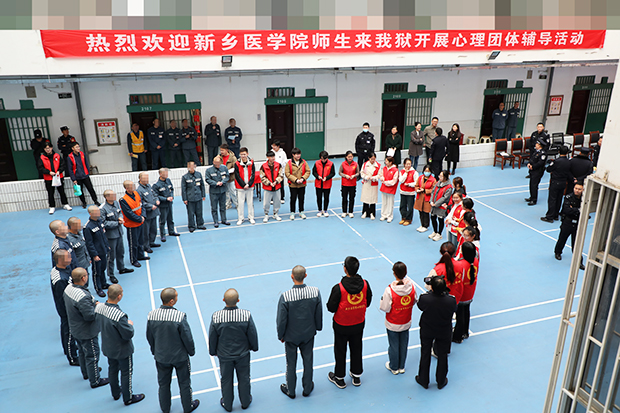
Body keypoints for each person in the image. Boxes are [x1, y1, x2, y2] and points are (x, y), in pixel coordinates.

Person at [147, 288, 200, 413]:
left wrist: (155, 351)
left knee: (163, 384)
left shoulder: (151, 315)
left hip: (161, 357)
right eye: (176, 296)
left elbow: (150, 336)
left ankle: (165, 408)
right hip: (180, 357)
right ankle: (188, 407)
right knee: (184, 383)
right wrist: (191, 351)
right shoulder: (179, 316)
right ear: (171, 301)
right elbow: (187, 337)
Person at [209, 288, 259, 412]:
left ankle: (227, 404)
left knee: (226, 380)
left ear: (223, 300)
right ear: (238, 300)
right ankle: (245, 402)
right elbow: (252, 333)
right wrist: (254, 347)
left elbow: (212, 336)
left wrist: (213, 351)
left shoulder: (216, 316)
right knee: (244, 378)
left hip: (224, 355)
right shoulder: (246, 315)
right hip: (242, 354)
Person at [277, 265, 323, 398]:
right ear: (305, 276)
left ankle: (291, 390)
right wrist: (318, 327)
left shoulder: (285, 296)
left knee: (291, 364)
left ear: (292, 277)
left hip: (291, 336)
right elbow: (318, 312)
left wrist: (281, 335)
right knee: (308, 361)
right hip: (308, 334)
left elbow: (281, 319)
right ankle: (307, 388)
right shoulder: (315, 292)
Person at [327, 256, 372, 389]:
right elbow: (368, 302)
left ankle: (339, 378)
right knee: (357, 348)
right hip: (358, 323)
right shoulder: (365, 284)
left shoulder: (338, 288)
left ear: (345, 269)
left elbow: (331, 307)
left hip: (341, 325)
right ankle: (356, 375)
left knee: (340, 350)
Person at [95, 284, 145, 405]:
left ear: (108, 293)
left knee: (112, 369)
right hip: (122, 350)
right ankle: (128, 397)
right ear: (119, 296)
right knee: (126, 372)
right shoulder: (119, 316)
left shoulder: (99, 308)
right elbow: (128, 334)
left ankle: (115, 393)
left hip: (108, 346)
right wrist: (129, 325)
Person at [64, 268, 109, 388]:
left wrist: (93, 303)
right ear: (83, 278)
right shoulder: (82, 296)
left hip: (75, 328)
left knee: (82, 352)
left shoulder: (68, 289)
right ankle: (95, 380)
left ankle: (87, 373)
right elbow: (89, 316)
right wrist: (99, 309)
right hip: (86, 331)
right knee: (92, 355)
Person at [415, 276, 457, 390]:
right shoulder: (451, 300)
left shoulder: (425, 298)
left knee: (425, 353)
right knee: (442, 355)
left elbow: (420, 306)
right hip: (444, 330)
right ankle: (441, 381)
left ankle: (423, 379)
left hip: (427, 329)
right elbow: (454, 309)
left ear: (432, 288)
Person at [380, 261, 416, 375]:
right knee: (403, 344)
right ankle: (401, 366)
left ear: (394, 273)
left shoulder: (389, 290)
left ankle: (394, 367)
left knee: (394, 345)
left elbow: (385, 307)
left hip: (393, 323)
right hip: (406, 321)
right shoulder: (412, 287)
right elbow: (414, 300)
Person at [50, 249, 79, 366]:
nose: (71, 258)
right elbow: (62, 298)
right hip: (66, 309)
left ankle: (68, 349)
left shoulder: (61, 270)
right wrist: (70, 310)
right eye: (68, 257)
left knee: (66, 329)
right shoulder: (60, 280)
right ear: (61, 260)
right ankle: (72, 357)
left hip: (66, 307)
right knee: (69, 332)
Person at [100, 190, 134, 277]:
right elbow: (103, 223)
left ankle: (121, 268)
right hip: (111, 236)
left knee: (120, 252)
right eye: (112, 195)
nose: (115, 196)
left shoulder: (116, 203)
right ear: (107, 197)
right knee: (111, 256)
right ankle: (111, 274)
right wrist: (117, 223)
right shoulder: (102, 209)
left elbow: (120, 213)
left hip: (119, 233)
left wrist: (120, 218)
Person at [84, 206, 115, 297]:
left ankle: (103, 283)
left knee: (103, 268)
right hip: (97, 253)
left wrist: (107, 246)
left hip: (103, 250)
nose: (99, 213)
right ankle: (98, 288)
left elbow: (103, 236)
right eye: (96, 212)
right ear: (90, 213)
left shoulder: (99, 221)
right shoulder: (88, 227)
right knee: (96, 271)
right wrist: (94, 255)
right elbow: (89, 243)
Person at [554, 181, 585, 270]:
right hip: (567, 222)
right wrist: (578, 210)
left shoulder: (585, 199)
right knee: (562, 239)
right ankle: (558, 252)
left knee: (576, 243)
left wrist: (574, 209)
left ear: (583, 190)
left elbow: (586, 210)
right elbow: (566, 210)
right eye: (576, 188)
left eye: (579, 189)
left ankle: (579, 262)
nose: (577, 190)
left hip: (578, 223)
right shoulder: (568, 197)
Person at [452, 242, 479, 343]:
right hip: (470, 291)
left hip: (462, 294)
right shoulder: (475, 261)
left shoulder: (461, 264)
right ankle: (465, 332)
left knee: (460, 315)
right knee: (466, 312)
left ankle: (457, 336)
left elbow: (459, 281)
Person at [119, 180, 148, 267]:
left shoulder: (136, 193)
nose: (134, 187)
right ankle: (133, 260)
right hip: (132, 225)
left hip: (140, 222)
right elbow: (129, 214)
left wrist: (143, 216)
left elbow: (141, 205)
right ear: (127, 188)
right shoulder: (123, 200)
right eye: (132, 186)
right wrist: (140, 219)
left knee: (140, 241)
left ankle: (140, 255)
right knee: (133, 243)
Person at [37, 142, 72, 214]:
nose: (48, 150)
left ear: (52, 148)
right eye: (46, 148)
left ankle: (65, 204)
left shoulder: (57, 155)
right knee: (50, 193)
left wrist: (59, 171)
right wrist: (48, 172)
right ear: (44, 149)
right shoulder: (42, 157)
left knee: (62, 191)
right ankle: (52, 206)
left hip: (58, 176)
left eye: (49, 148)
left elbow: (63, 165)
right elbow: (40, 168)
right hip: (48, 178)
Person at [541, 146, 572, 223]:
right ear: (567, 153)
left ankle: (550, 216)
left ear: (559, 152)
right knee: (559, 198)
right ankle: (556, 215)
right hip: (563, 182)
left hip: (555, 181)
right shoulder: (569, 162)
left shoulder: (556, 161)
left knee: (552, 199)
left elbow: (549, 169)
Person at [67, 143, 99, 208]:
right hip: (77, 177)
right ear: (72, 148)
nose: (78, 148)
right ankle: (84, 203)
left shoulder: (82, 154)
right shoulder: (70, 157)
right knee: (80, 191)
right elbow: (70, 169)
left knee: (91, 189)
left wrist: (87, 172)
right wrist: (73, 179)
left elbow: (86, 163)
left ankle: (95, 201)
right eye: (76, 147)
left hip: (85, 175)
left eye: (78, 147)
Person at [152, 168, 180, 242]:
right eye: (165, 173)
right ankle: (163, 235)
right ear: (160, 174)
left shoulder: (168, 181)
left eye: (167, 173)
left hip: (169, 203)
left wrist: (171, 196)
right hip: (163, 205)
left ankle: (171, 231)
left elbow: (171, 189)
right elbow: (155, 196)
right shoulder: (156, 185)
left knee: (170, 218)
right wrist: (166, 199)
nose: (166, 175)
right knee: (162, 220)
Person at [137, 172, 161, 252]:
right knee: (146, 231)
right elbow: (141, 202)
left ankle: (151, 242)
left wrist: (157, 200)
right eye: (145, 178)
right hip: (147, 213)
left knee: (153, 229)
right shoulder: (139, 190)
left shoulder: (149, 186)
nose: (147, 180)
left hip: (153, 212)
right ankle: (146, 246)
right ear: (140, 179)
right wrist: (150, 206)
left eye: (147, 178)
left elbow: (154, 194)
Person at [285, 147, 311, 220]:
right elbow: (287, 173)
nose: (298, 155)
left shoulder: (304, 162)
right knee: (293, 199)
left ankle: (301, 212)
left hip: (302, 184)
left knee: (301, 198)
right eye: (296, 154)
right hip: (293, 185)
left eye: (299, 154)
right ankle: (292, 212)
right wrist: (295, 180)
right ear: (293, 155)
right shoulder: (289, 163)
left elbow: (308, 171)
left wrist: (302, 178)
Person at [181, 161, 207, 233]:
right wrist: (184, 199)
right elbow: (183, 189)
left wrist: (203, 195)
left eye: (193, 166)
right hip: (190, 198)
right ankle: (191, 226)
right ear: (188, 167)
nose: (192, 168)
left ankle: (200, 224)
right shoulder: (185, 177)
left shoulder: (199, 174)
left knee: (199, 212)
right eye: (190, 166)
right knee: (191, 213)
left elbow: (202, 185)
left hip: (198, 196)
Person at [205, 155, 230, 228]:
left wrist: (223, 182)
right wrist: (215, 183)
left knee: (223, 206)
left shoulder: (224, 168)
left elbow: (227, 176)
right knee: (214, 207)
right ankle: (215, 221)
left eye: (219, 163)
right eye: (216, 163)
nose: (218, 165)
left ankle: (224, 220)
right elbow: (207, 179)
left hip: (222, 190)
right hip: (214, 192)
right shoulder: (209, 170)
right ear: (213, 162)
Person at [234, 147, 256, 225]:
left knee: (250, 203)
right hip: (240, 187)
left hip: (250, 187)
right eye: (241, 154)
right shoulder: (237, 163)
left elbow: (253, 174)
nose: (243, 156)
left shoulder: (252, 162)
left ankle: (251, 217)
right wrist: (243, 185)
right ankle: (241, 218)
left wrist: (249, 184)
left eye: (244, 154)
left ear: (247, 154)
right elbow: (237, 176)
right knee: (240, 203)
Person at [429, 170, 453, 241]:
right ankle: (435, 231)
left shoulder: (449, 187)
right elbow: (433, 192)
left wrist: (436, 203)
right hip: (433, 204)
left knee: (440, 219)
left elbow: (445, 197)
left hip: (441, 206)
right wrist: (431, 201)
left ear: (445, 177)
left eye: (441, 176)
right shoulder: (437, 183)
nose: (439, 177)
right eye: (439, 175)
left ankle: (439, 234)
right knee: (433, 217)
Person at [260, 150, 284, 223]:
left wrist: (276, 181)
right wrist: (269, 183)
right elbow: (262, 177)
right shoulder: (263, 166)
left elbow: (281, 175)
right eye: (271, 157)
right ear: (267, 157)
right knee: (266, 203)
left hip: (277, 186)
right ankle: (266, 214)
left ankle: (275, 214)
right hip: (268, 187)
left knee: (277, 202)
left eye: (273, 156)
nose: (273, 158)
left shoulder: (278, 165)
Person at [312, 151, 335, 217]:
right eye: (322, 159)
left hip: (327, 184)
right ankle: (319, 210)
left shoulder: (331, 164)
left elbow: (333, 173)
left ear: (327, 158)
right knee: (319, 197)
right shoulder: (317, 163)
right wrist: (318, 176)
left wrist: (326, 178)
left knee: (326, 197)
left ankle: (325, 210)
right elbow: (314, 172)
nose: (323, 160)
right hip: (318, 184)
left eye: (325, 159)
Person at [414, 165, 436, 233]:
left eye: (428, 171)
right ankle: (422, 224)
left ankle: (426, 226)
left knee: (426, 212)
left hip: (427, 198)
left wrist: (425, 190)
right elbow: (416, 185)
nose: (427, 172)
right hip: (420, 197)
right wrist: (417, 189)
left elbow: (433, 189)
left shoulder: (433, 180)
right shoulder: (420, 177)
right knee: (420, 211)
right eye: (425, 171)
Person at [525, 141, 547, 206]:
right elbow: (532, 159)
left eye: (537, 144)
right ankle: (531, 196)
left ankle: (534, 200)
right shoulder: (536, 152)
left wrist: (533, 167)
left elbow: (540, 163)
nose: (535, 145)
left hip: (538, 171)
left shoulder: (543, 154)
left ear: (540, 145)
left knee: (534, 185)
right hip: (532, 171)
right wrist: (529, 163)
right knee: (531, 185)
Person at [360, 153, 380, 220]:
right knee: (366, 198)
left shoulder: (378, 165)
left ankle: (372, 213)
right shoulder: (365, 164)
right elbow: (361, 173)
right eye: (371, 159)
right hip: (366, 183)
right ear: (369, 158)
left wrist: (374, 177)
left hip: (373, 184)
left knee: (372, 199)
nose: (373, 160)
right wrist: (366, 177)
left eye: (374, 159)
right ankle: (365, 212)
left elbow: (380, 175)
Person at [398, 158, 418, 226]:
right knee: (402, 206)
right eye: (407, 164)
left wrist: (409, 184)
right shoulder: (402, 171)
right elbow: (401, 180)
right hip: (403, 192)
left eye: (409, 164)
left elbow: (416, 183)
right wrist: (406, 173)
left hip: (410, 193)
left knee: (410, 207)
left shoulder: (414, 172)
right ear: (404, 164)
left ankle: (408, 219)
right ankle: (403, 217)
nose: (408, 165)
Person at [379, 156, 399, 223]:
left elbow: (394, 181)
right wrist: (382, 178)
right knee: (384, 202)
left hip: (391, 189)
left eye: (387, 161)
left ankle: (389, 216)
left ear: (390, 162)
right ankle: (383, 215)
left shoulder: (395, 170)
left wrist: (386, 182)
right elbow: (381, 175)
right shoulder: (384, 168)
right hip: (384, 188)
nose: (385, 162)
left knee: (390, 203)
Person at [339, 151, 359, 218]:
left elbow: (358, 173)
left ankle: (351, 211)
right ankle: (344, 211)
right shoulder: (343, 164)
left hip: (352, 184)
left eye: (351, 156)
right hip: (344, 184)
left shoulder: (355, 164)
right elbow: (340, 172)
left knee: (352, 198)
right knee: (344, 198)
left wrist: (354, 175)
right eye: (349, 157)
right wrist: (345, 175)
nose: (350, 158)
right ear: (346, 157)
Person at [219, 144, 238, 209]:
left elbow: (236, 167)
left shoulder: (233, 158)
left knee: (233, 192)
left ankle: (237, 204)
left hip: (231, 178)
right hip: (223, 178)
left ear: (226, 150)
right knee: (225, 192)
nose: (221, 152)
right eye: (220, 150)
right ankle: (228, 204)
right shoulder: (219, 157)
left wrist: (228, 171)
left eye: (222, 150)